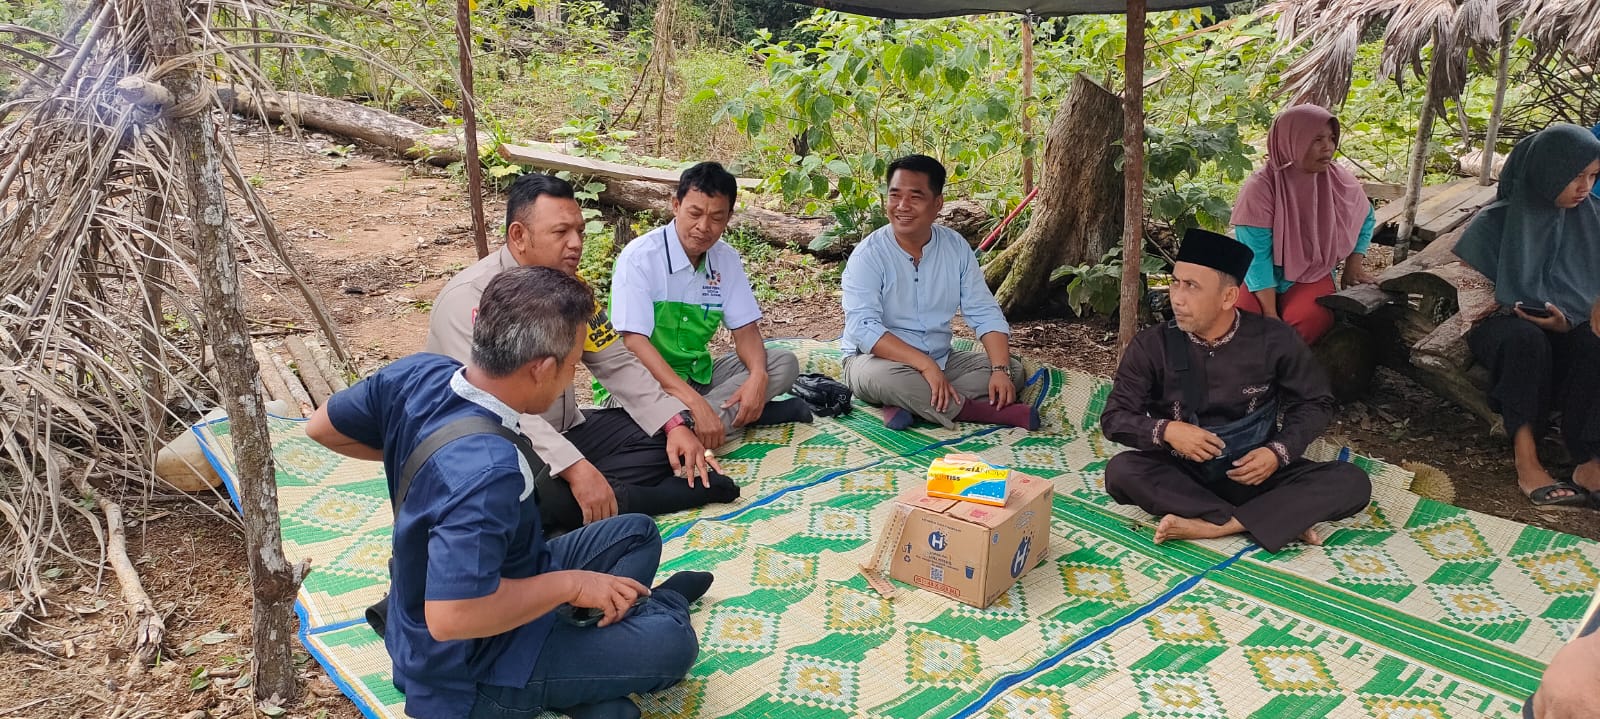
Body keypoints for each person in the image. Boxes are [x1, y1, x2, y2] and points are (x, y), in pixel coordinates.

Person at [306, 267, 711, 719]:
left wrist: (421, 461)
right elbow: (452, 618)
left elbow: (320, 426)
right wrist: (571, 584)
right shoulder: (487, 472)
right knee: (673, 644)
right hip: (473, 669)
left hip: (460, 600)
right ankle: (655, 613)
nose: (572, 375)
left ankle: (586, 679)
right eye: (573, 365)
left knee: (635, 533)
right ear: (542, 369)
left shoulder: (420, 373)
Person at [426, 173, 737, 535]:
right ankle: (629, 499)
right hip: (493, 446)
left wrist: (673, 424)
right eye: (561, 233)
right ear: (518, 236)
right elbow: (491, 406)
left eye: (580, 232)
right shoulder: (468, 300)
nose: (575, 244)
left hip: (565, 431)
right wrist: (574, 466)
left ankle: (579, 499)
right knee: (512, 491)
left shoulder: (573, 290)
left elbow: (617, 362)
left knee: (667, 439)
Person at [1099, 228, 1372, 552]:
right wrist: (1168, 431)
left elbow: (1315, 402)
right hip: (1183, 474)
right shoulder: (1151, 345)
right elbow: (1114, 417)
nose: (1177, 297)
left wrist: (1277, 452)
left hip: (1257, 474)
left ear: (1228, 297)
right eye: (1175, 282)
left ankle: (1218, 525)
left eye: (1192, 287)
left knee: (1353, 481)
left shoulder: (1274, 340)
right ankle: (1274, 519)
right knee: (1121, 473)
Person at [604, 161, 811, 449]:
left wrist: (758, 378)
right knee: (632, 418)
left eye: (716, 217)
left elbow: (746, 331)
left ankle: (687, 429)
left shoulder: (725, 259)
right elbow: (634, 344)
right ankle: (725, 419)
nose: (704, 227)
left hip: (695, 377)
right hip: (641, 384)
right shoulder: (639, 258)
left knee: (781, 363)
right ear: (675, 205)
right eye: (695, 213)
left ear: (729, 218)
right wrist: (695, 404)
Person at [1454, 123, 1600, 508]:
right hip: (1502, 326)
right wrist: (1528, 313)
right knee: (1525, 341)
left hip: (1568, 325)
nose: (1585, 187)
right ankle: (1527, 459)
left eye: (1593, 176)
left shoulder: (1592, 221)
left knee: (1594, 343)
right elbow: (1473, 305)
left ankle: (1589, 459)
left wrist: (1570, 320)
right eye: (1575, 176)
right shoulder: (1494, 223)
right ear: (1547, 171)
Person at [840, 154, 1035, 431]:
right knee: (886, 379)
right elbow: (863, 327)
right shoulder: (869, 255)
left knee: (1011, 370)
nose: (902, 206)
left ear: (938, 204)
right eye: (895, 196)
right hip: (873, 360)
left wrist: (999, 370)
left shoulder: (954, 247)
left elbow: (984, 311)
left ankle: (908, 403)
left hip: (941, 358)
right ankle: (977, 411)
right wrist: (925, 367)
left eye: (915, 197)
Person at [1232, 104, 1378, 346]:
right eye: (1316, 139)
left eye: (1332, 138)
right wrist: (1270, 313)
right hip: (1258, 275)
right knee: (1241, 323)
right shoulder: (1260, 188)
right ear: (1291, 142)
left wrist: (1355, 265)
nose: (1328, 147)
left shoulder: (1338, 180)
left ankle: (1282, 374)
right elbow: (1256, 258)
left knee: (1307, 321)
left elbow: (1366, 217)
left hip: (1312, 272)